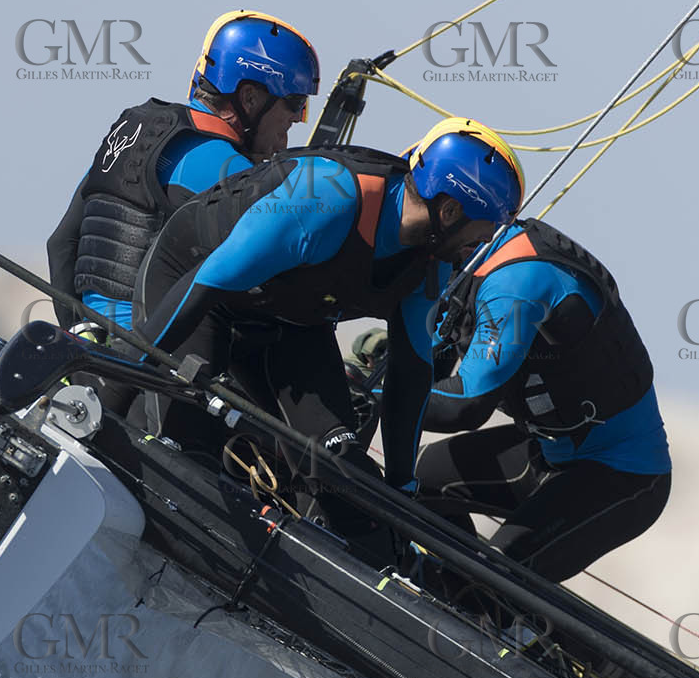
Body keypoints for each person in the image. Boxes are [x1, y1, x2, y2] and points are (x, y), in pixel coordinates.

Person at [132, 118, 525, 507]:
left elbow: (410, 375)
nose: (479, 248)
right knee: (188, 451)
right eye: (484, 232)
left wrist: (402, 488)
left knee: (347, 479)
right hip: (200, 290)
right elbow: (208, 283)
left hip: (291, 324)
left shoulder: (430, 265)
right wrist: (120, 377)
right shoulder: (330, 196)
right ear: (451, 210)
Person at [416, 218, 671, 583]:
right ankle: (452, 589)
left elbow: (466, 404)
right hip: (547, 452)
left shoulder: (516, 282)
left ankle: (485, 610)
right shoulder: (467, 266)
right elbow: (429, 373)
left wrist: (379, 396)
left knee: (491, 579)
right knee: (417, 480)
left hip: (620, 475)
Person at [45, 10, 318, 334]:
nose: (296, 123)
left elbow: (60, 244)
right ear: (250, 97)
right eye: (294, 105)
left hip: (94, 354)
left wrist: (82, 341)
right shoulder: (227, 167)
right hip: (155, 366)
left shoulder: (133, 133)